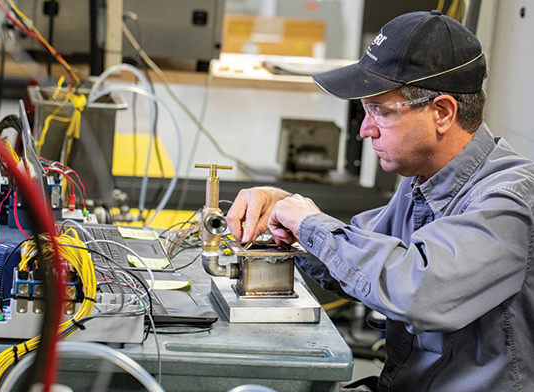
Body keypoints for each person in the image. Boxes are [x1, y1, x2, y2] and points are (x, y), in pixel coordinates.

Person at [226, 10, 534, 392]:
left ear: (442, 112)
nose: (365, 129)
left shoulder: (509, 200)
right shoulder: (421, 179)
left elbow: (416, 288)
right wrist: (283, 215)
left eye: (380, 112)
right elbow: (362, 257)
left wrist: (309, 223)